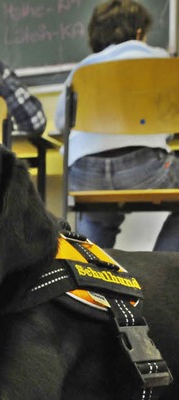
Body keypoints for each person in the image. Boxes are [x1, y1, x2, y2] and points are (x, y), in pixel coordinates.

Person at [54, 0, 179, 250]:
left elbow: (61, 122)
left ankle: (93, 275)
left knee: (96, 212)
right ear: (139, 32)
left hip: (85, 173)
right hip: (145, 170)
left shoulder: (82, 70)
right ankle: (164, 266)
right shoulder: (161, 61)